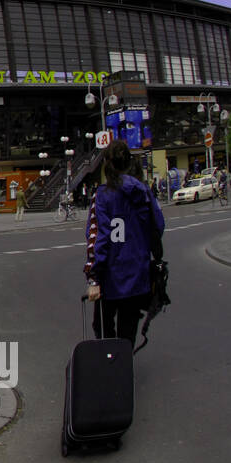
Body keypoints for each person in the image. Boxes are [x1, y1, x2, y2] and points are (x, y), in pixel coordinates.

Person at [83, 140, 165, 345]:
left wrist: (94, 278)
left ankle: (110, 367)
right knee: (128, 329)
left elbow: (97, 237)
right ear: (129, 162)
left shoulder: (102, 195)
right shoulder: (144, 192)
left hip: (110, 274)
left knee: (103, 327)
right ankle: (124, 367)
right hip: (137, 273)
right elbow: (158, 227)